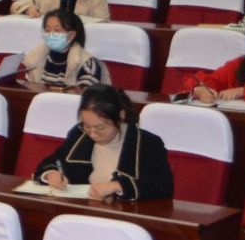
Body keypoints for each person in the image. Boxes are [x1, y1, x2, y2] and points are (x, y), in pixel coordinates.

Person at [33, 85, 174, 202]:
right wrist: (51, 174)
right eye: (87, 126)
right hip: (81, 210)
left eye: (100, 128)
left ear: (120, 116)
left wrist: (118, 186)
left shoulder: (147, 143)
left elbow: (163, 187)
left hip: (124, 216)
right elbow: (51, 162)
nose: (92, 134)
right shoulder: (79, 135)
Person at [12, 8, 111, 90]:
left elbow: (85, 99)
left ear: (71, 35)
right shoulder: (35, 59)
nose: (50, 34)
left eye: (57, 30)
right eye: (47, 30)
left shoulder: (87, 64)